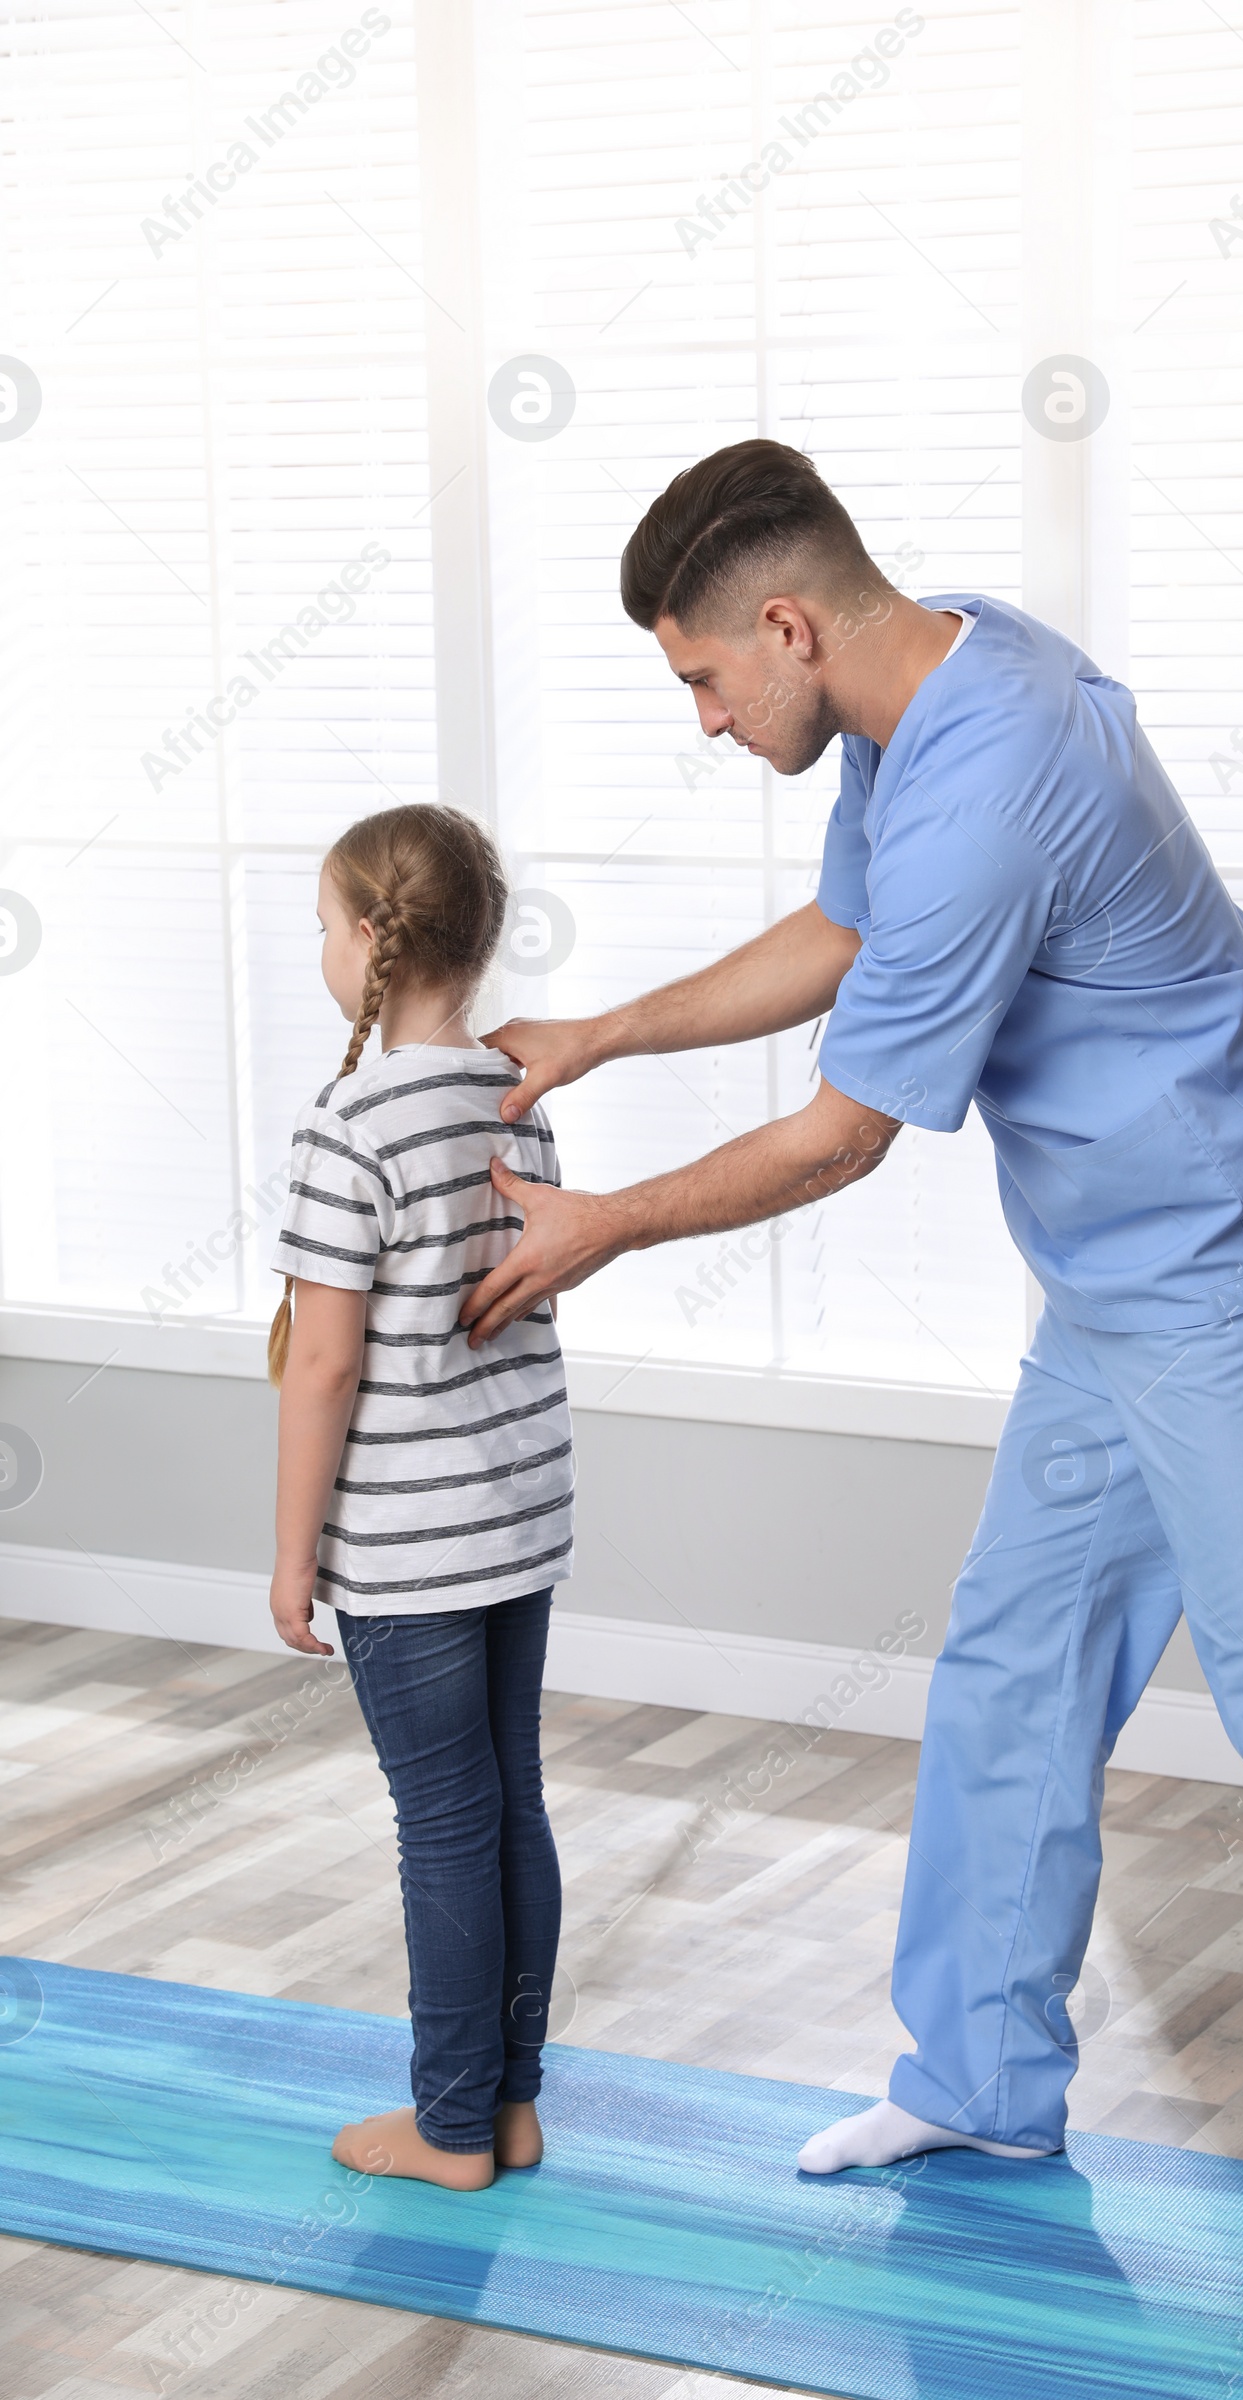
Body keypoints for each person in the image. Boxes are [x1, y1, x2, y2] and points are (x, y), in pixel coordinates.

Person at [458, 439, 1243, 2313]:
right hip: (1119, 1280)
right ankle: (977, 2088)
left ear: (787, 626)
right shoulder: (927, 680)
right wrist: (603, 1032)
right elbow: (848, 933)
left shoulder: (994, 775)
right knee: (1011, 1672)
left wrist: (598, 1230)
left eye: (709, 682)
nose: (711, 724)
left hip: (1241, 1264)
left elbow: (841, 1141)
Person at [267, 802, 571, 2191]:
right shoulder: (520, 1103)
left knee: (444, 1818)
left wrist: (292, 1557)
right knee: (511, 1803)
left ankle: (448, 2127)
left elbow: (322, 1362)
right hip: (515, 1520)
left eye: (325, 925)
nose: (319, 951)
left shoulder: (348, 1124)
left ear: (374, 943)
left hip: (405, 1543)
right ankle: (509, 2106)